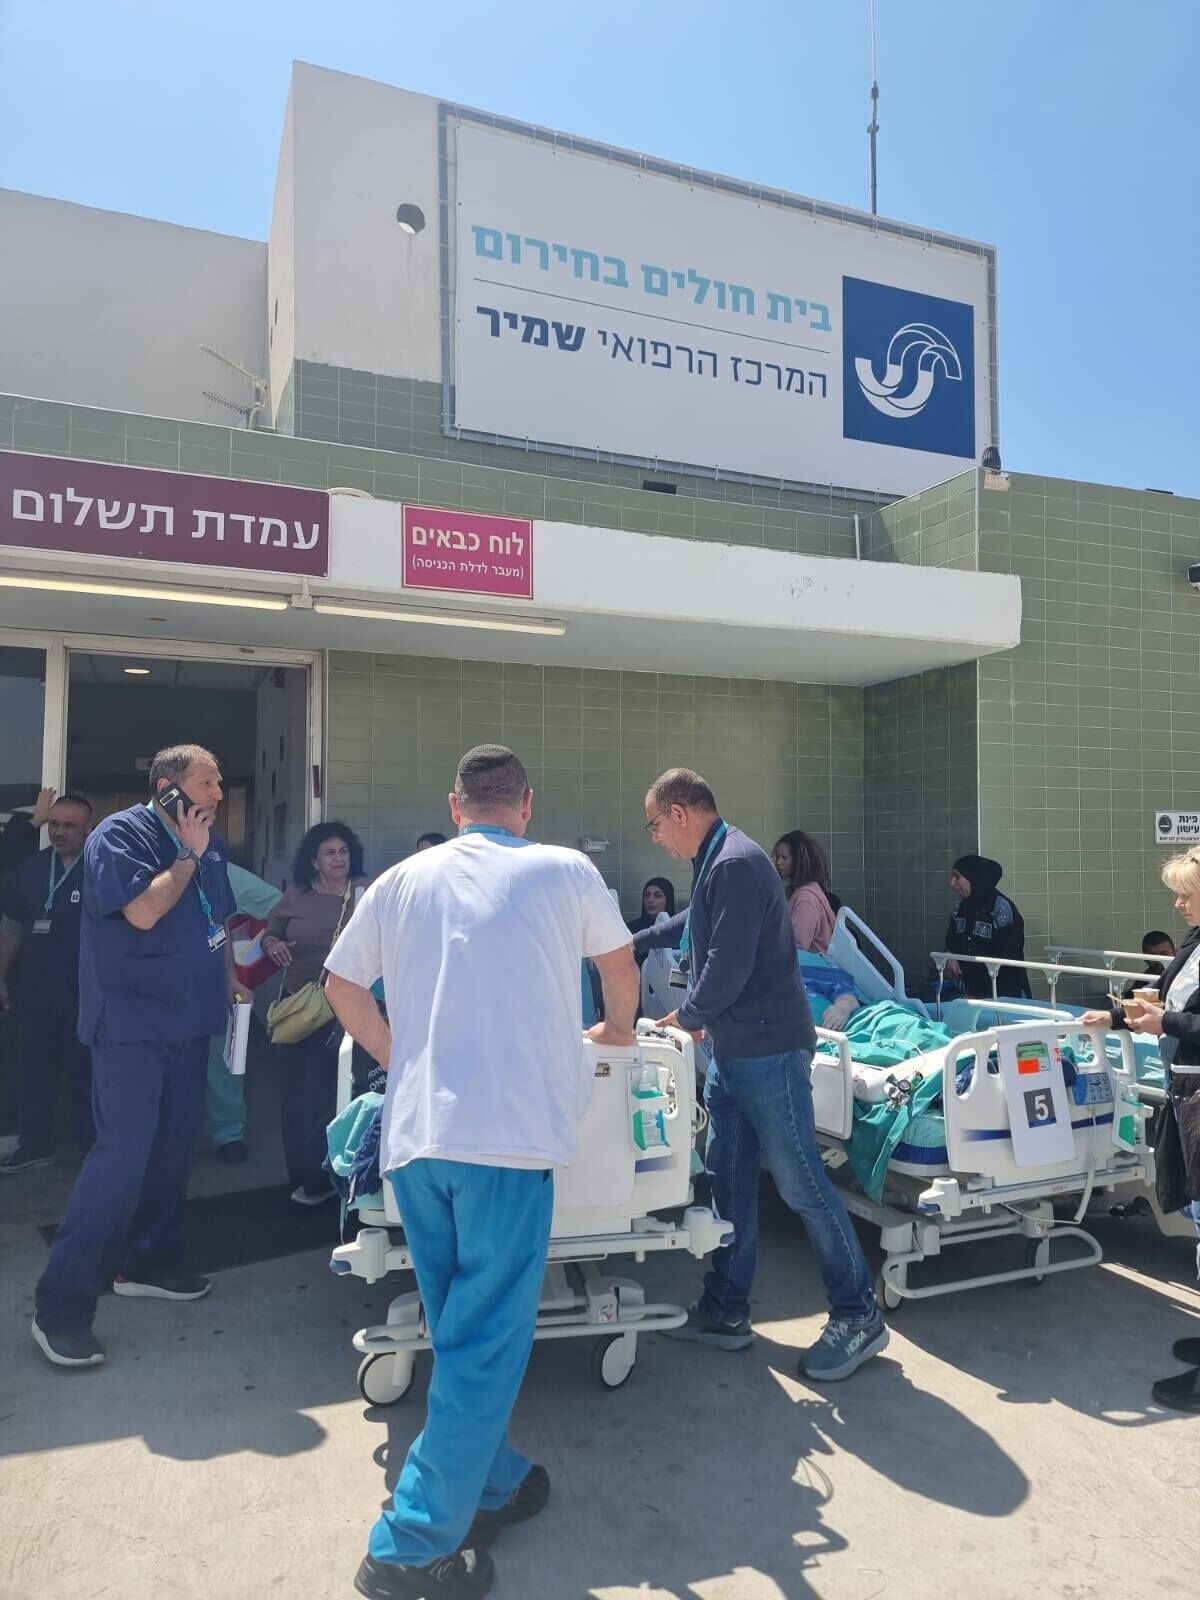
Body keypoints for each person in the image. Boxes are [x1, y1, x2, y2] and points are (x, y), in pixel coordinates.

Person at [325, 744, 638, 1600]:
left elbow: (342, 985)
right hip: (505, 1145)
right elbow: (619, 969)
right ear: (525, 806)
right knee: (488, 1344)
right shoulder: (564, 871)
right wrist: (616, 1034)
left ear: (455, 806)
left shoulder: (402, 881)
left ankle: (493, 1479)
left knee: (461, 1330)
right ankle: (410, 1545)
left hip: (419, 1145)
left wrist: (398, 1055)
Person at [635, 767, 886, 1380]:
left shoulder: (738, 863)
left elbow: (728, 965)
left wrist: (683, 1018)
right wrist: (630, 941)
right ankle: (727, 1308)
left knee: (801, 1183)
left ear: (679, 813)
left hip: (770, 1053)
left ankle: (858, 1315)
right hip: (733, 1053)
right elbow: (694, 925)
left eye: (654, 826)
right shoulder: (716, 863)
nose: (656, 839)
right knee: (727, 1175)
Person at [31, 745, 234, 1369]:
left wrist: (230, 981)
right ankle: (60, 1309)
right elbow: (143, 911)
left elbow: (219, 918)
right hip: (131, 1029)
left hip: (188, 1025)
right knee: (119, 1162)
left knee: (174, 1152)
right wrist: (187, 857)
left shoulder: (208, 841)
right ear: (169, 786)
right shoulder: (120, 836)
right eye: (207, 782)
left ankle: (148, 1263)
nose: (218, 793)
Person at [1081, 850, 1200, 1411]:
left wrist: (1165, 1022)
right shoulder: (1194, 944)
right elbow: (1164, 998)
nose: (1177, 903)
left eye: (1186, 893)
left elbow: (1181, 1018)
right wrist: (1116, 1018)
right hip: (1186, 1090)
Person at [262, 822, 366, 1205]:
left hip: (347, 1010)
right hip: (301, 1008)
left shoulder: (365, 892)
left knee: (332, 1095)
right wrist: (272, 945)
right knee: (296, 1096)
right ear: (314, 861)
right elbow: (269, 933)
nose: (339, 859)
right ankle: (303, 1175)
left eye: (344, 851)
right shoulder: (297, 896)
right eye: (329, 853)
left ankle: (330, 1178)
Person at [0, 794, 95, 1173]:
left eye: (70, 825)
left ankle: (93, 1148)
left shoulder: (103, 869)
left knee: (86, 1076)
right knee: (34, 1075)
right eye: (54, 824)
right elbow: (11, 927)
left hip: (85, 996)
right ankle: (36, 1146)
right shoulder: (32, 869)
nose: (59, 832)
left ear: (88, 829)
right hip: (35, 993)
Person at [205, 861, 283, 1165]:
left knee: (223, 1062)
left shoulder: (220, 871)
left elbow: (277, 905)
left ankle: (229, 1133)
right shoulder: (146, 862)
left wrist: (253, 951)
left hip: (219, 985)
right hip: (160, 987)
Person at [943, 854, 1030, 999]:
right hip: (970, 993)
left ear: (973, 878)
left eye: (957, 877)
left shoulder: (1001, 909)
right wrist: (949, 956)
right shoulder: (960, 909)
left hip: (1004, 994)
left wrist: (972, 977)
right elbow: (951, 941)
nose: (952, 883)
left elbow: (1007, 956)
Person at [773, 830, 838, 954]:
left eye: (784, 857)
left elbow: (796, 946)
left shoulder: (806, 898)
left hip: (809, 964)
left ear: (799, 860)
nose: (778, 862)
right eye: (777, 856)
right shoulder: (805, 890)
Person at [625, 876, 676, 967]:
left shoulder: (678, 928)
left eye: (657, 895)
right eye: (647, 895)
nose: (650, 900)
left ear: (668, 899)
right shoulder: (631, 930)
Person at [1121, 929, 1176, 999]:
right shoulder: (1141, 984)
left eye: (1164, 954)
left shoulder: (1184, 977)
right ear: (1145, 958)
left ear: (1175, 953)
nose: (1159, 960)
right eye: (1153, 956)